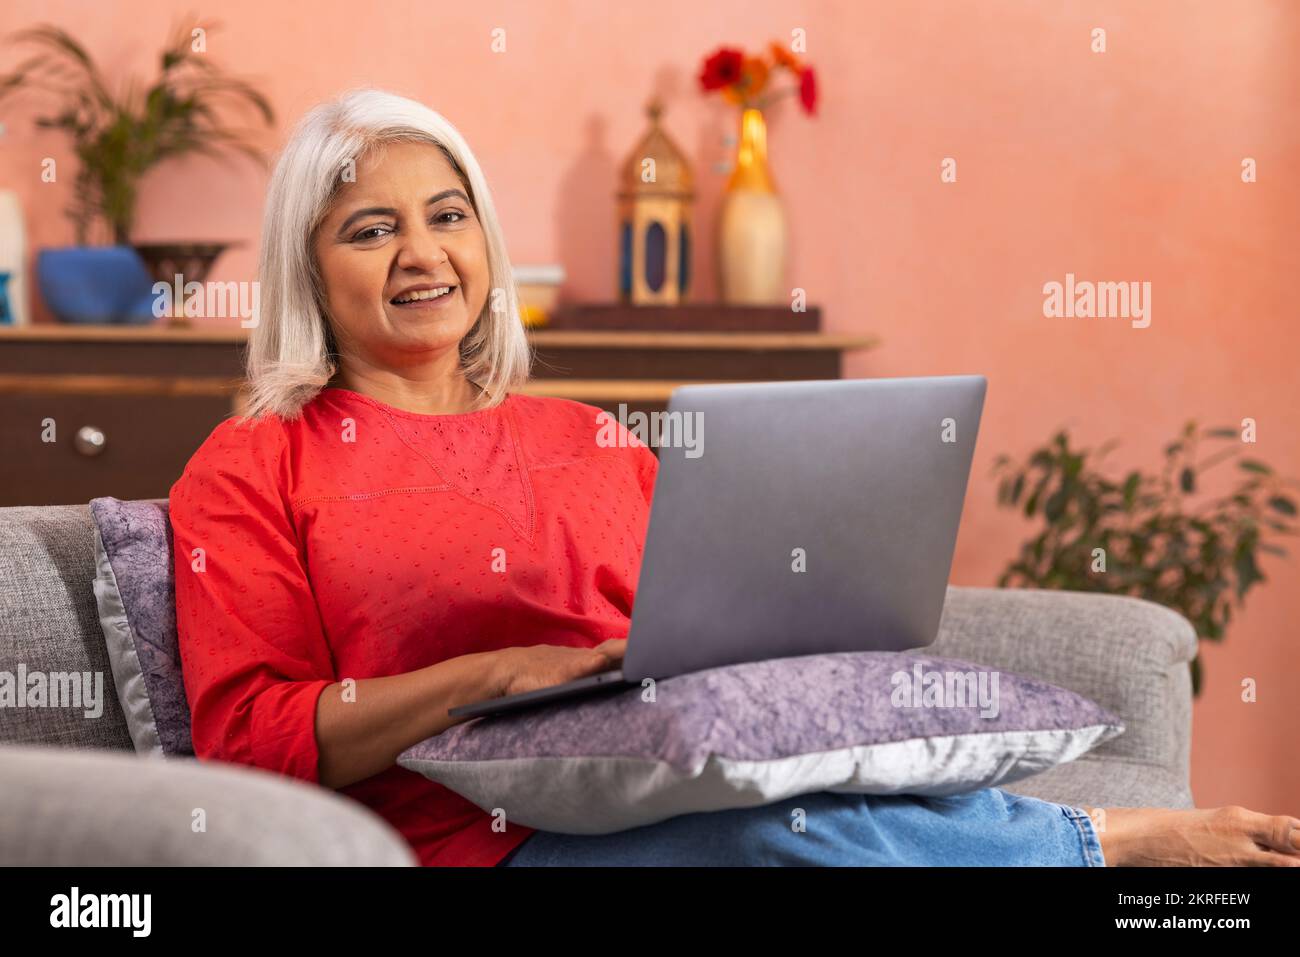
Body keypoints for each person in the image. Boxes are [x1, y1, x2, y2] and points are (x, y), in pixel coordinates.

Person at [169, 88, 1300, 868]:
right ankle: (1102, 846)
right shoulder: (255, 465)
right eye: (371, 230)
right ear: (307, 274)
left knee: (809, 804)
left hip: (683, 776)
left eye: (449, 216)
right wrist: (496, 673)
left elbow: (700, 636)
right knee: (778, 846)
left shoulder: (590, 436)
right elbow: (248, 733)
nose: (424, 254)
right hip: (481, 839)